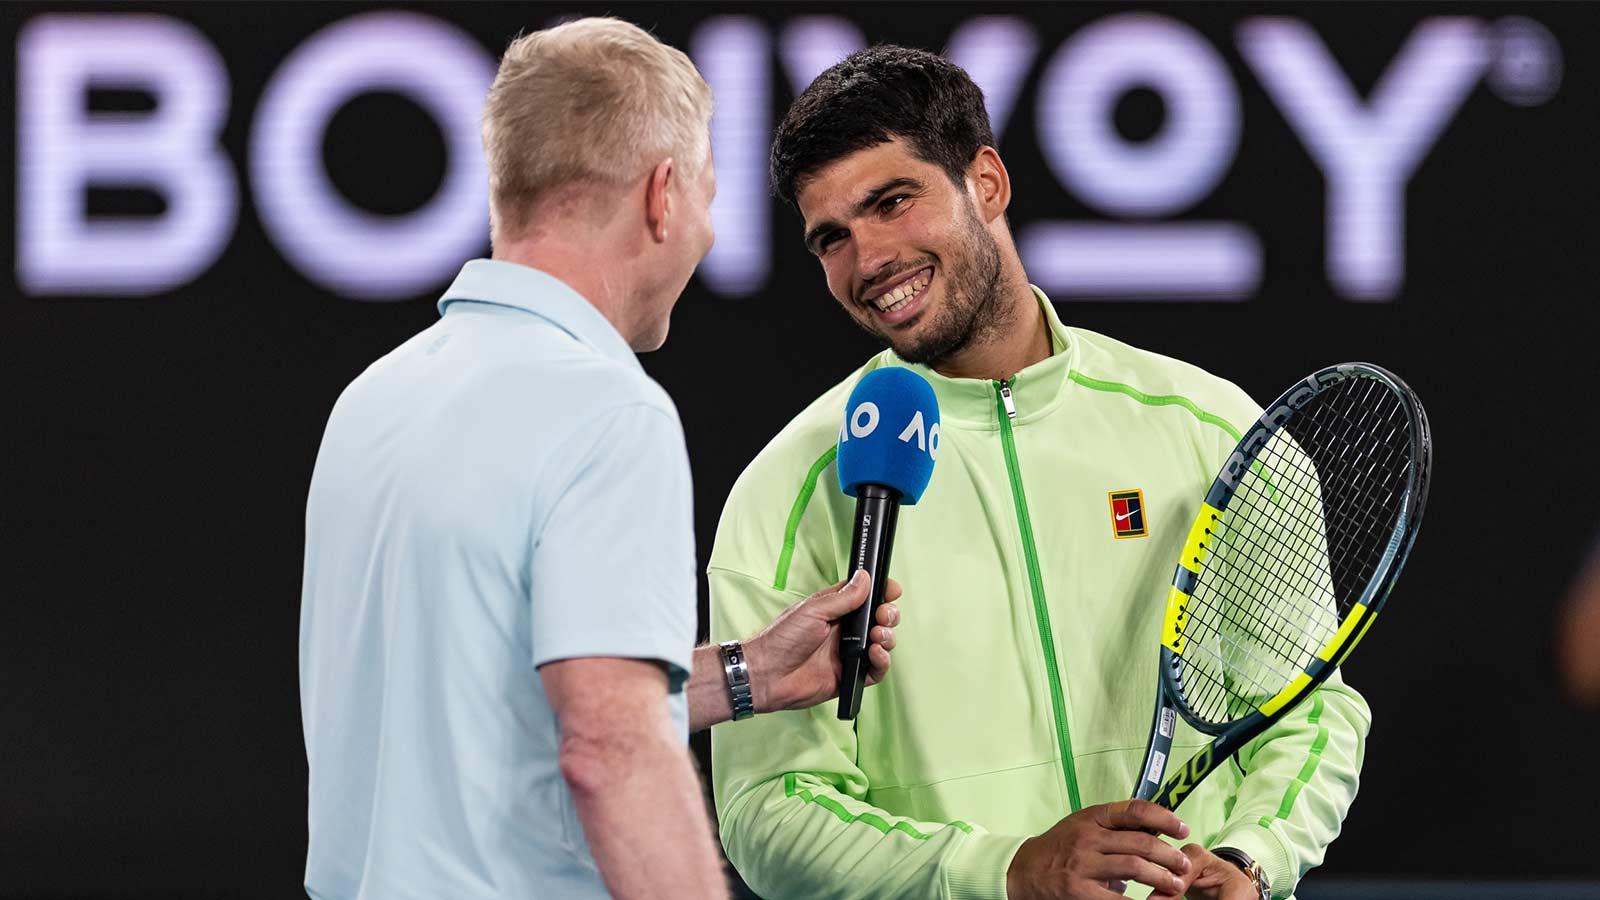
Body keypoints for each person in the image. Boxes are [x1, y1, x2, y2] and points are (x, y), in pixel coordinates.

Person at [710, 47, 1370, 900]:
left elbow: (1311, 710)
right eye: (832, 238)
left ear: (986, 183)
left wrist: (1249, 860)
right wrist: (1008, 871)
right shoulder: (791, 489)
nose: (867, 261)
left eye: (892, 202)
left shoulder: (1210, 432)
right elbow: (771, 812)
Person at [298, 19, 901, 900]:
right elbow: (610, 748)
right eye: (705, 193)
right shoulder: (607, 412)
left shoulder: (375, 398)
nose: (704, 230)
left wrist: (749, 673)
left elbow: (491, 712)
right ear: (662, 195)